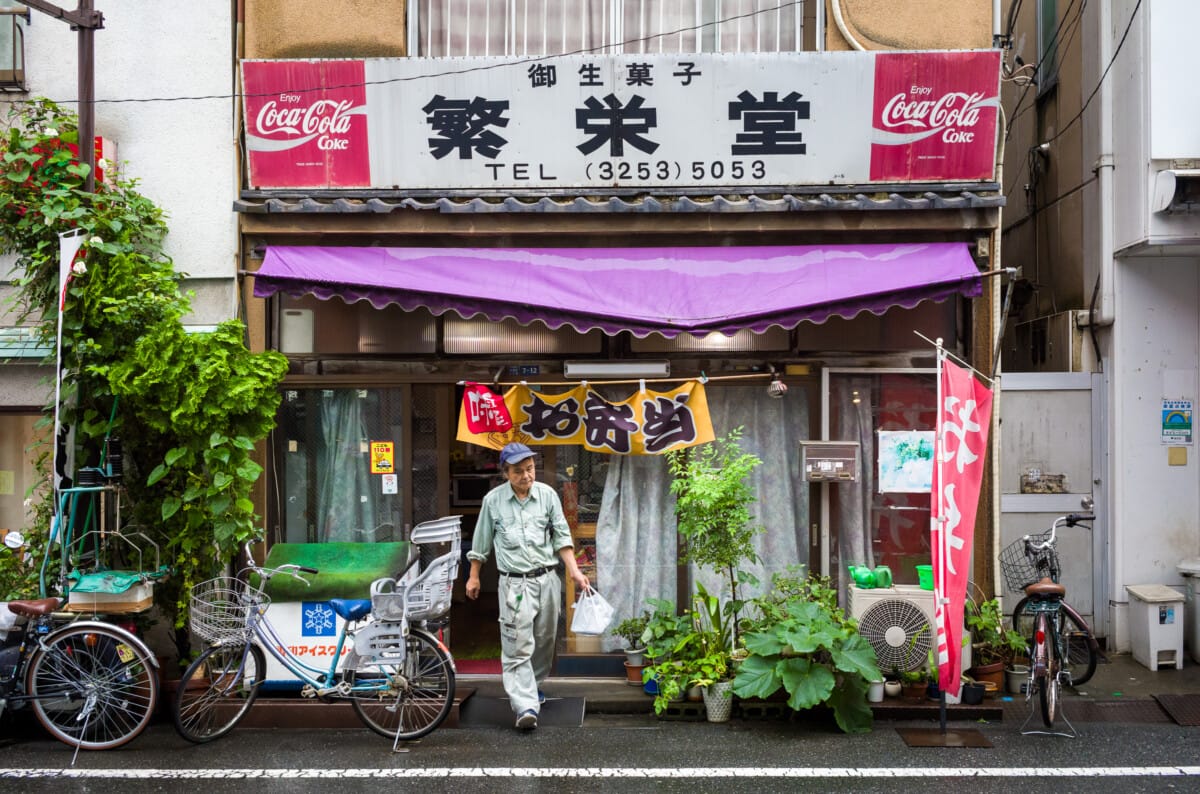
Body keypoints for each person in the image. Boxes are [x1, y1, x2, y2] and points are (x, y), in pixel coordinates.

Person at [465, 442, 590, 731]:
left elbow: (561, 536)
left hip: (547, 580)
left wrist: (575, 572)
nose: (526, 476)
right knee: (517, 646)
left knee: (544, 641)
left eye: (530, 469)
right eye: (519, 471)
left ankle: (531, 686)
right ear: (506, 473)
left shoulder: (547, 496)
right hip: (514, 585)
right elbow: (481, 543)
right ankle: (525, 706)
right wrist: (474, 576)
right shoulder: (493, 501)